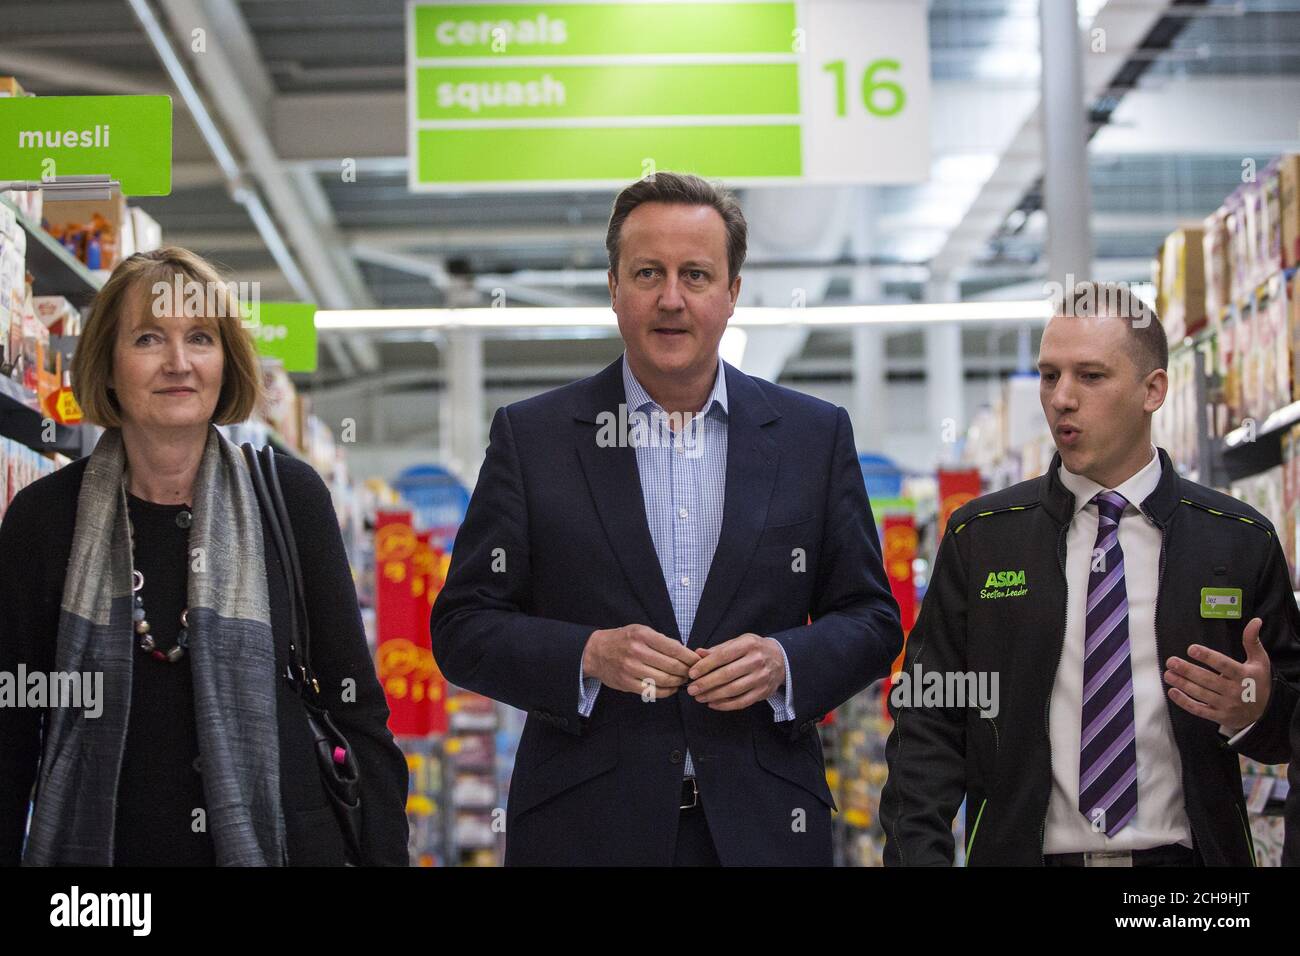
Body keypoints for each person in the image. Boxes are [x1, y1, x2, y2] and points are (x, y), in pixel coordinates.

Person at [430, 172, 902, 866]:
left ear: (732, 292)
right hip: (584, 833)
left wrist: (783, 663)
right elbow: (462, 625)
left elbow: (870, 618)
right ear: (614, 288)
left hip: (764, 830)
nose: (672, 298)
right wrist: (587, 655)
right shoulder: (534, 440)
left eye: (697, 274)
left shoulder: (811, 437)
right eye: (648, 272)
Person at [0, 248, 409, 866]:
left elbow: (358, 710)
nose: (178, 362)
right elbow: (10, 734)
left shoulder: (291, 500)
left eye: (200, 337)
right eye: (147, 338)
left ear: (227, 362)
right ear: (107, 363)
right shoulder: (44, 519)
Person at [881, 282, 1300, 866]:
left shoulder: (1237, 537)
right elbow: (927, 720)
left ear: (1153, 390)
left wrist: (1256, 708)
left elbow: (1290, 722)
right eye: (1050, 376)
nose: (1061, 399)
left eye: (1090, 376)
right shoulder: (983, 538)